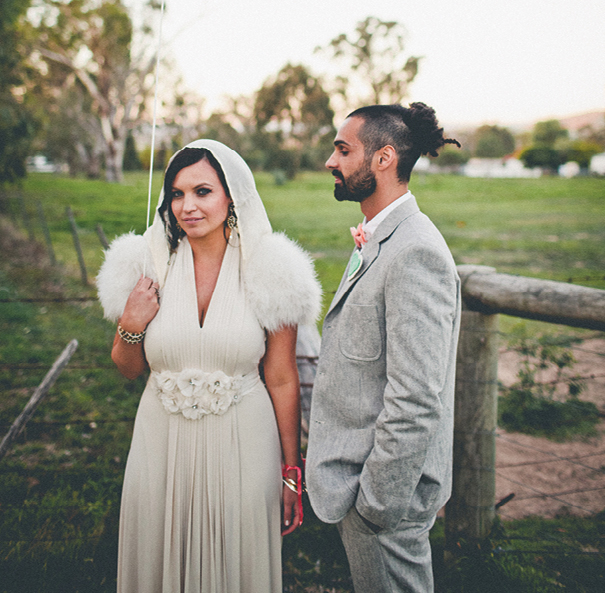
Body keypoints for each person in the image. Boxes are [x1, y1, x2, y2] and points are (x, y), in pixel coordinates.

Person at [97, 139, 321, 593]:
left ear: (231, 197)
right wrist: (130, 322)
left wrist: (291, 472)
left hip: (244, 444)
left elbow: (281, 378)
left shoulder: (272, 270)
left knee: (235, 562)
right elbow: (126, 367)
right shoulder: (147, 268)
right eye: (177, 194)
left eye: (203, 191)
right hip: (160, 443)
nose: (187, 206)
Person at [306, 103, 462, 593]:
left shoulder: (415, 251)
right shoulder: (380, 237)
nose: (331, 161)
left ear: (383, 158)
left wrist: (375, 504)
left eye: (343, 149)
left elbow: (416, 397)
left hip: (383, 503)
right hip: (367, 491)